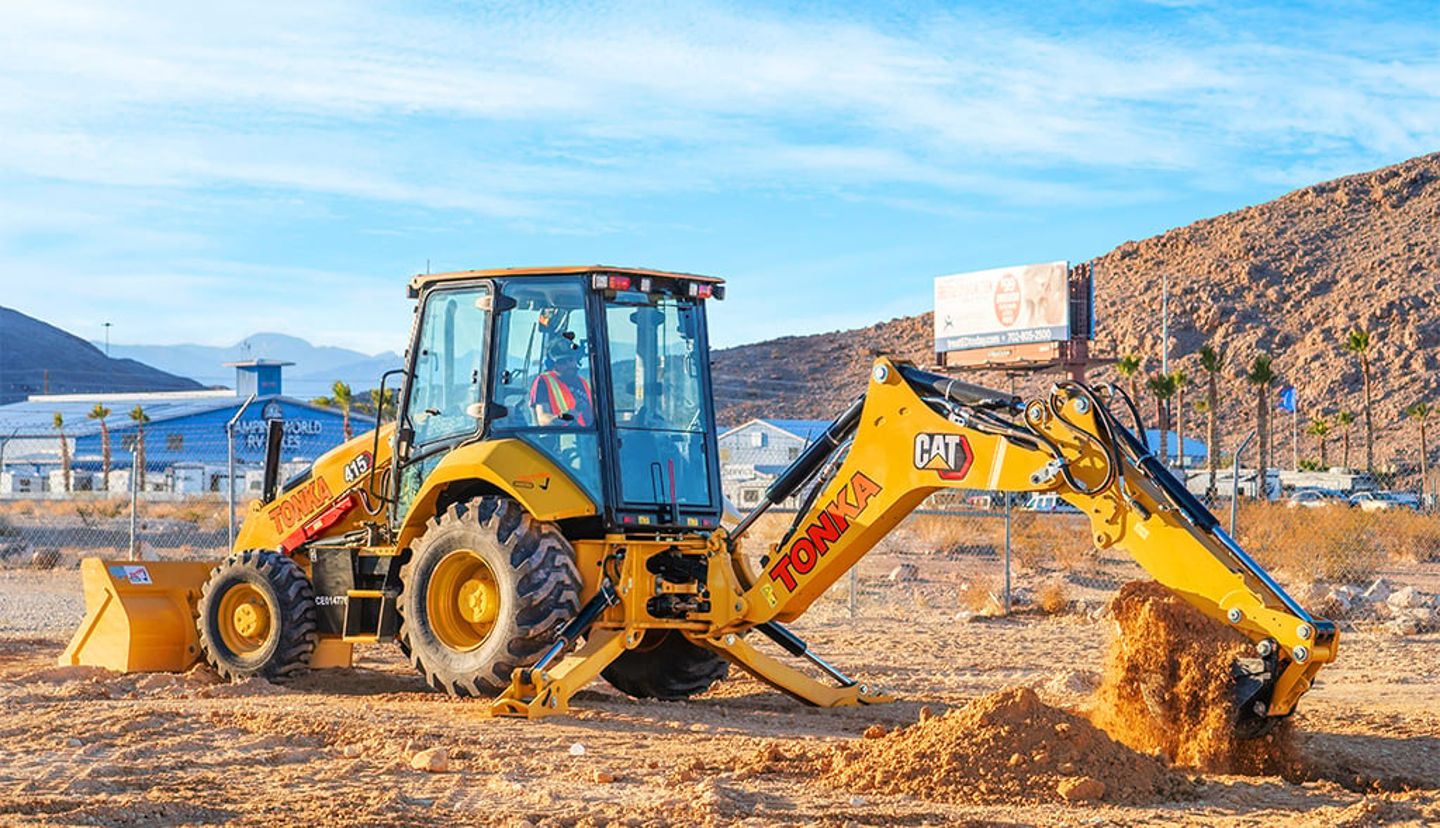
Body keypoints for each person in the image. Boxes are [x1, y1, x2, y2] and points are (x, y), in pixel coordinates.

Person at [530, 337, 594, 426]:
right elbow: (543, 419)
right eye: (562, 362)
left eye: (571, 360)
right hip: (557, 436)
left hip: (589, 435)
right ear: (553, 364)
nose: (568, 364)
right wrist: (564, 417)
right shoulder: (544, 381)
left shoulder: (583, 383)